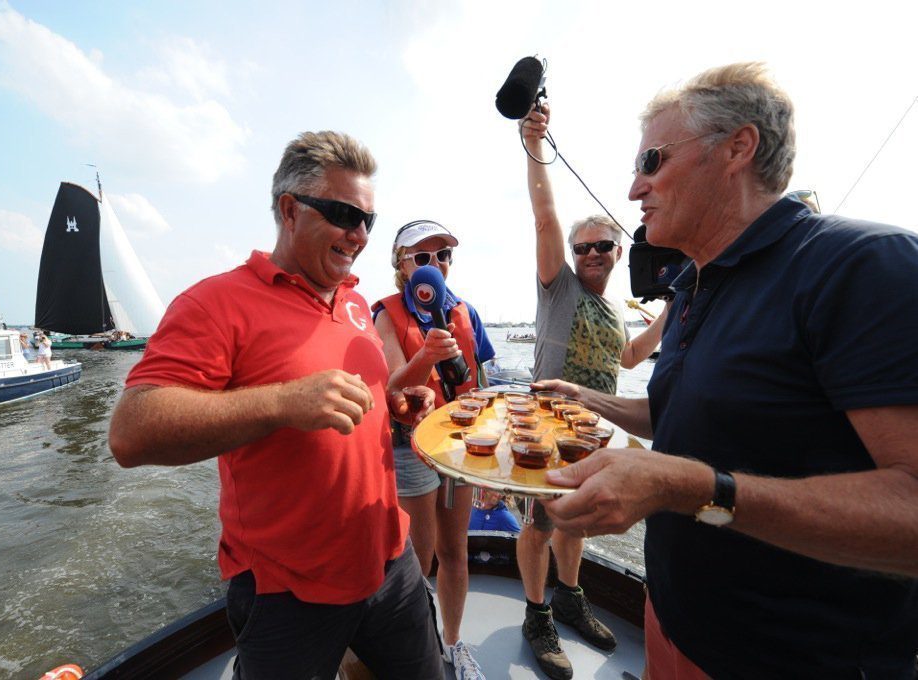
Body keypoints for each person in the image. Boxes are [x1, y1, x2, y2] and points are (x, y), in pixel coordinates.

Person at [535, 62, 918, 679]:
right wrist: (589, 398)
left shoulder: (862, 266)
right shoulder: (692, 287)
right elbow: (681, 419)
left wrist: (694, 489)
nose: (634, 189)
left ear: (739, 147)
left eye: (651, 161)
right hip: (674, 623)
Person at [108, 130, 444, 680]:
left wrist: (391, 402)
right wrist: (284, 401)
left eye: (367, 221)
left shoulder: (357, 303)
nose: (358, 234)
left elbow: (348, 405)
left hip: (390, 559)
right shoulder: (216, 303)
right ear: (290, 210)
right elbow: (131, 432)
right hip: (287, 588)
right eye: (342, 214)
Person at [514, 103, 670, 678]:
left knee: (574, 519)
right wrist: (535, 143)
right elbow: (544, 214)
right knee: (539, 522)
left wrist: (670, 312)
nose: (593, 255)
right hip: (546, 429)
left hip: (595, 430)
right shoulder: (560, 290)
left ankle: (570, 598)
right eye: (583, 247)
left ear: (618, 252)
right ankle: (537, 613)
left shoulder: (610, 306)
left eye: (603, 246)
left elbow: (628, 356)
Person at [372, 219, 496, 680]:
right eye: (423, 257)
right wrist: (426, 356)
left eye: (443, 256)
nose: (435, 265)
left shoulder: (465, 311)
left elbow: (483, 384)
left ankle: (455, 642)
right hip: (411, 446)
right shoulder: (386, 313)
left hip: (462, 446)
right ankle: (416, 647)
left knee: (455, 550)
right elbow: (388, 384)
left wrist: (491, 462)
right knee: (418, 558)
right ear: (402, 267)